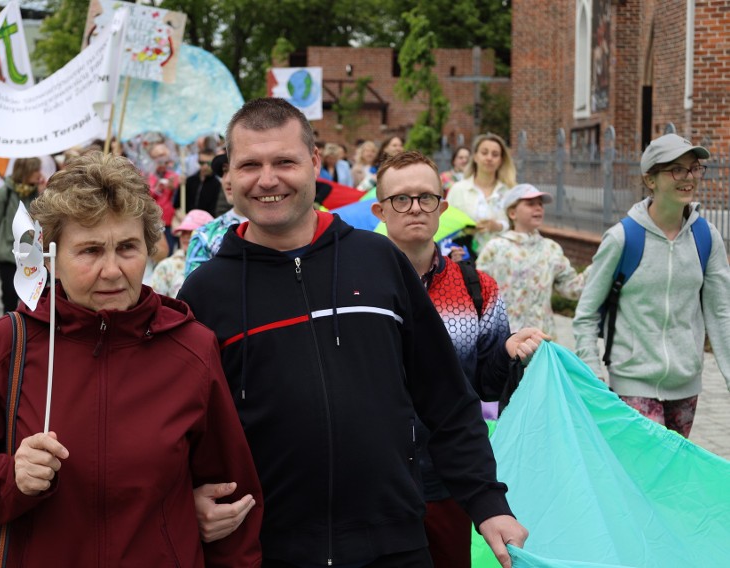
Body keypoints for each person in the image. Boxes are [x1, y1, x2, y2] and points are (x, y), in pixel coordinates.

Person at [179, 98, 527, 568]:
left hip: (394, 542)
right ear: (228, 175)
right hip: (270, 550)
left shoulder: (379, 262)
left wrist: (487, 502)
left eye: (284, 161)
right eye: (249, 165)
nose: (267, 179)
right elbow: (183, 429)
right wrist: (187, 498)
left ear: (315, 162)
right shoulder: (205, 293)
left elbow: (447, 399)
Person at [0, 152, 263, 566]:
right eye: (89, 250)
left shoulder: (192, 348)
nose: (112, 270)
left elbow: (233, 499)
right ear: (53, 259)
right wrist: (9, 477)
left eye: (127, 247)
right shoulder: (7, 345)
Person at [374, 151, 547, 567]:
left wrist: (506, 354)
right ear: (379, 209)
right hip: (376, 482)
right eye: (401, 199)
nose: (415, 207)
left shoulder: (477, 288)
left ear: (442, 206)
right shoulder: (356, 288)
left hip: (448, 479)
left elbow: (484, 389)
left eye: (426, 197)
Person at [572, 133, 730, 438]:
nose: (688, 178)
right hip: (632, 382)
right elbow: (587, 313)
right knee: (647, 472)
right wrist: (593, 373)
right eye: (677, 170)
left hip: (686, 383)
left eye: (694, 168)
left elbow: (720, 311)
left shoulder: (706, 237)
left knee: (671, 477)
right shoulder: (623, 238)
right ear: (650, 180)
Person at [477, 184, 586, 340]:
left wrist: (601, 267)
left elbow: (572, 288)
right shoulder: (495, 248)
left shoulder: (551, 249)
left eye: (540, 204)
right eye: (530, 204)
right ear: (513, 213)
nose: (538, 208)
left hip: (543, 341)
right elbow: (478, 293)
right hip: (504, 342)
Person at [0, 157, 46, 312]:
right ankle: (11, 332)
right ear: (25, 172)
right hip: (9, 257)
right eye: (36, 170)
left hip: (33, 257)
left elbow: (46, 220)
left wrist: (42, 194)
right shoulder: (5, 192)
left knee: (34, 301)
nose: (40, 173)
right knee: (9, 300)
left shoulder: (39, 193)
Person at [447, 133, 517, 256]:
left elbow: (518, 225)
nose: (489, 158)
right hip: (465, 259)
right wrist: (465, 230)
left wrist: (498, 226)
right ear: (475, 157)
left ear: (501, 160)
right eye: (484, 153)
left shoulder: (509, 192)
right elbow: (446, 224)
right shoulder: (458, 190)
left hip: (502, 258)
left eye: (495, 154)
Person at [184, 153, 248, 277]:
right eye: (224, 171)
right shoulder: (204, 235)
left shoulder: (280, 228)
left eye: (237, 170)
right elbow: (193, 292)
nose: (228, 180)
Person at [151, 208, 213, 297]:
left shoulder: (218, 266)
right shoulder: (166, 266)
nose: (186, 237)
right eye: (183, 232)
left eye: (192, 232)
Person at [176, 149, 222, 215]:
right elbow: (177, 204)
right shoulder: (189, 181)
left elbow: (216, 211)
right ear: (198, 162)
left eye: (209, 163)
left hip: (207, 223)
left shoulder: (218, 185)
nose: (205, 166)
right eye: (202, 163)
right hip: (187, 221)